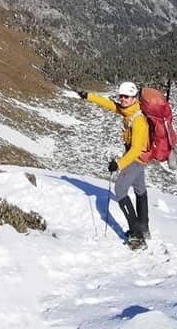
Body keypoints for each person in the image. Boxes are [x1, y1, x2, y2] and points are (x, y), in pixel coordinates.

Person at [75, 81, 150, 248]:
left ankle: (137, 236)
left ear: (134, 98)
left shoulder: (138, 120)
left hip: (135, 159)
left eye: (126, 97)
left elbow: (136, 149)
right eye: (121, 96)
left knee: (120, 190)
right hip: (140, 158)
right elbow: (110, 105)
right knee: (140, 190)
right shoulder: (127, 111)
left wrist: (119, 164)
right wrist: (89, 96)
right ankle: (144, 229)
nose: (122, 99)